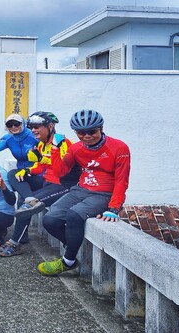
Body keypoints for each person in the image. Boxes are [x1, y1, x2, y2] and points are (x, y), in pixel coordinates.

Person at [37, 109, 131, 276]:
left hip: (103, 193)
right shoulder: (76, 148)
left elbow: (121, 180)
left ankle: (68, 261)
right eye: (81, 132)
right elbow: (60, 172)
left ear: (101, 128)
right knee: (50, 220)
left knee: (74, 215)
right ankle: (73, 244)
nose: (87, 136)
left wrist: (114, 208)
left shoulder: (119, 147)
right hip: (80, 189)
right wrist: (55, 149)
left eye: (92, 131)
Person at [0, 111, 80, 257]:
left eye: (37, 126)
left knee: (24, 206)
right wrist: (27, 170)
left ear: (50, 126)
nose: (33, 130)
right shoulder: (41, 144)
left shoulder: (63, 143)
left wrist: (53, 152)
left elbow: (62, 170)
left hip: (63, 185)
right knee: (14, 174)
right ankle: (29, 199)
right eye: (31, 126)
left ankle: (14, 243)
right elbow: (41, 167)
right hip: (47, 181)